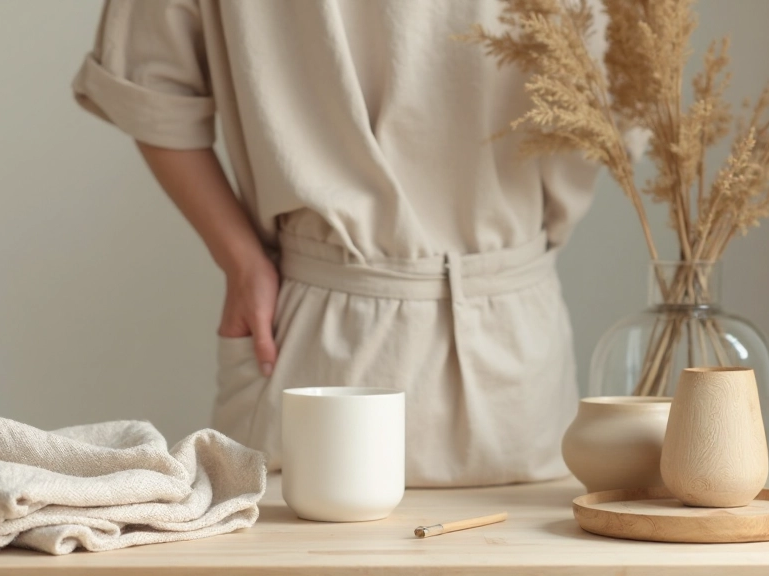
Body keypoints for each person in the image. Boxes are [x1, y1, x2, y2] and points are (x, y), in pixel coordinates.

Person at [73, 0, 601, 487]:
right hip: (337, 338)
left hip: (459, 344)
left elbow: (146, 82)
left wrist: (240, 260)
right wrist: (242, 263)